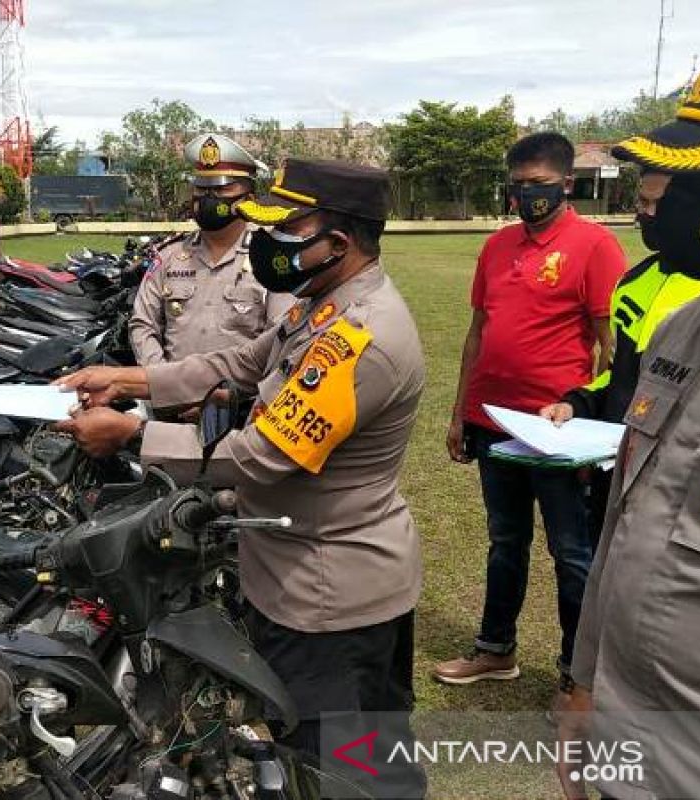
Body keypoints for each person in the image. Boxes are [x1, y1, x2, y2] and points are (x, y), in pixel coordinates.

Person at [56, 160, 427, 798]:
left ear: (336, 244)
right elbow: (238, 360)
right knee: (346, 752)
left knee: (337, 766)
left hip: (328, 595)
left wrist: (135, 434)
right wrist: (128, 379)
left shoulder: (359, 337)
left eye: (286, 229)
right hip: (304, 571)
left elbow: (259, 455)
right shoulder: (321, 306)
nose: (266, 242)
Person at [434, 134, 627, 706]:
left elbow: (609, 347)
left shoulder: (595, 246)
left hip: (559, 431)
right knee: (505, 540)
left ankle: (577, 673)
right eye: (518, 184)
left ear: (567, 184)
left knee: (572, 552)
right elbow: (477, 334)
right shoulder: (496, 247)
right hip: (495, 423)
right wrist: (459, 414)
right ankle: (497, 650)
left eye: (539, 184)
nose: (527, 195)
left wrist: (601, 437)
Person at [556, 72, 700, 800]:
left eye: (681, 187)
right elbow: (629, 522)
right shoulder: (684, 325)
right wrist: (584, 688)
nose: (661, 211)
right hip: (627, 716)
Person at [540, 80, 700, 550]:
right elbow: (620, 377)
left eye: (657, 205)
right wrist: (578, 403)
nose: (644, 217)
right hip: (617, 481)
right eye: (641, 202)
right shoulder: (636, 282)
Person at [130, 133, 295, 368]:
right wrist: (162, 381)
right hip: (172, 397)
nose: (208, 198)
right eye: (202, 188)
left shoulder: (270, 258)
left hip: (241, 399)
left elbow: (279, 333)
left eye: (221, 189)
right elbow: (143, 324)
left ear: (247, 199)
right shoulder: (169, 257)